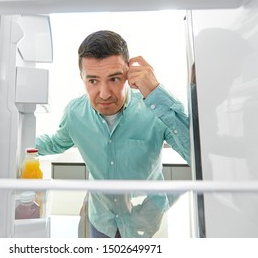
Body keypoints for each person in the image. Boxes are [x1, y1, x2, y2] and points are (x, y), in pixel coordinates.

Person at [36, 30, 190, 238]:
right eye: (92, 81)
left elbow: (198, 157)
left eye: (114, 79)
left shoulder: (154, 108)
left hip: (146, 219)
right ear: (81, 78)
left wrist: (155, 92)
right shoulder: (75, 113)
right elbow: (56, 143)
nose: (104, 93)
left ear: (128, 74)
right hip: (101, 219)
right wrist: (15, 144)